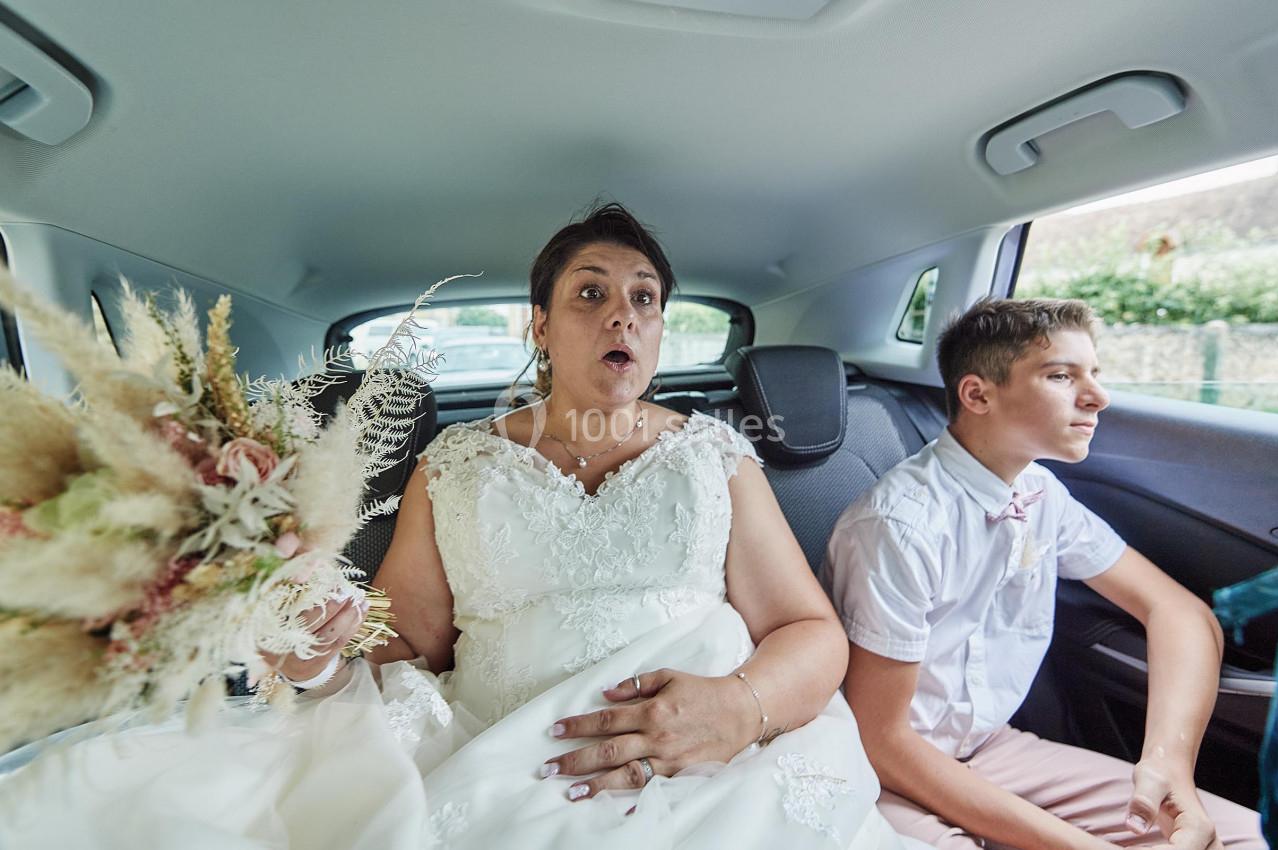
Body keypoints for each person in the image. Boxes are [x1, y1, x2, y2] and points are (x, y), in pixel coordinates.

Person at [0, 203, 910, 850]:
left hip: (720, 759)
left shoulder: (718, 454)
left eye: (644, 299)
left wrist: (739, 708)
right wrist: (320, 644)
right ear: (540, 327)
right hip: (509, 754)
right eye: (590, 294)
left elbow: (810, 631)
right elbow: (404, 644)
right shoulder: (452, 464)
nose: (624, 313)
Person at [822, 297, 1265, 850]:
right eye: (1061, 375)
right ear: (978, 394)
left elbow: (1179, 611)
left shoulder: (1040, 492)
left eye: (1095, 374)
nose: (1098, 397)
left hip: (993, 750)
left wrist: (1168, 765)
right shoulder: (898, 526)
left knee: (1242, 838)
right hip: (886, 769)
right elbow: (881, 739)